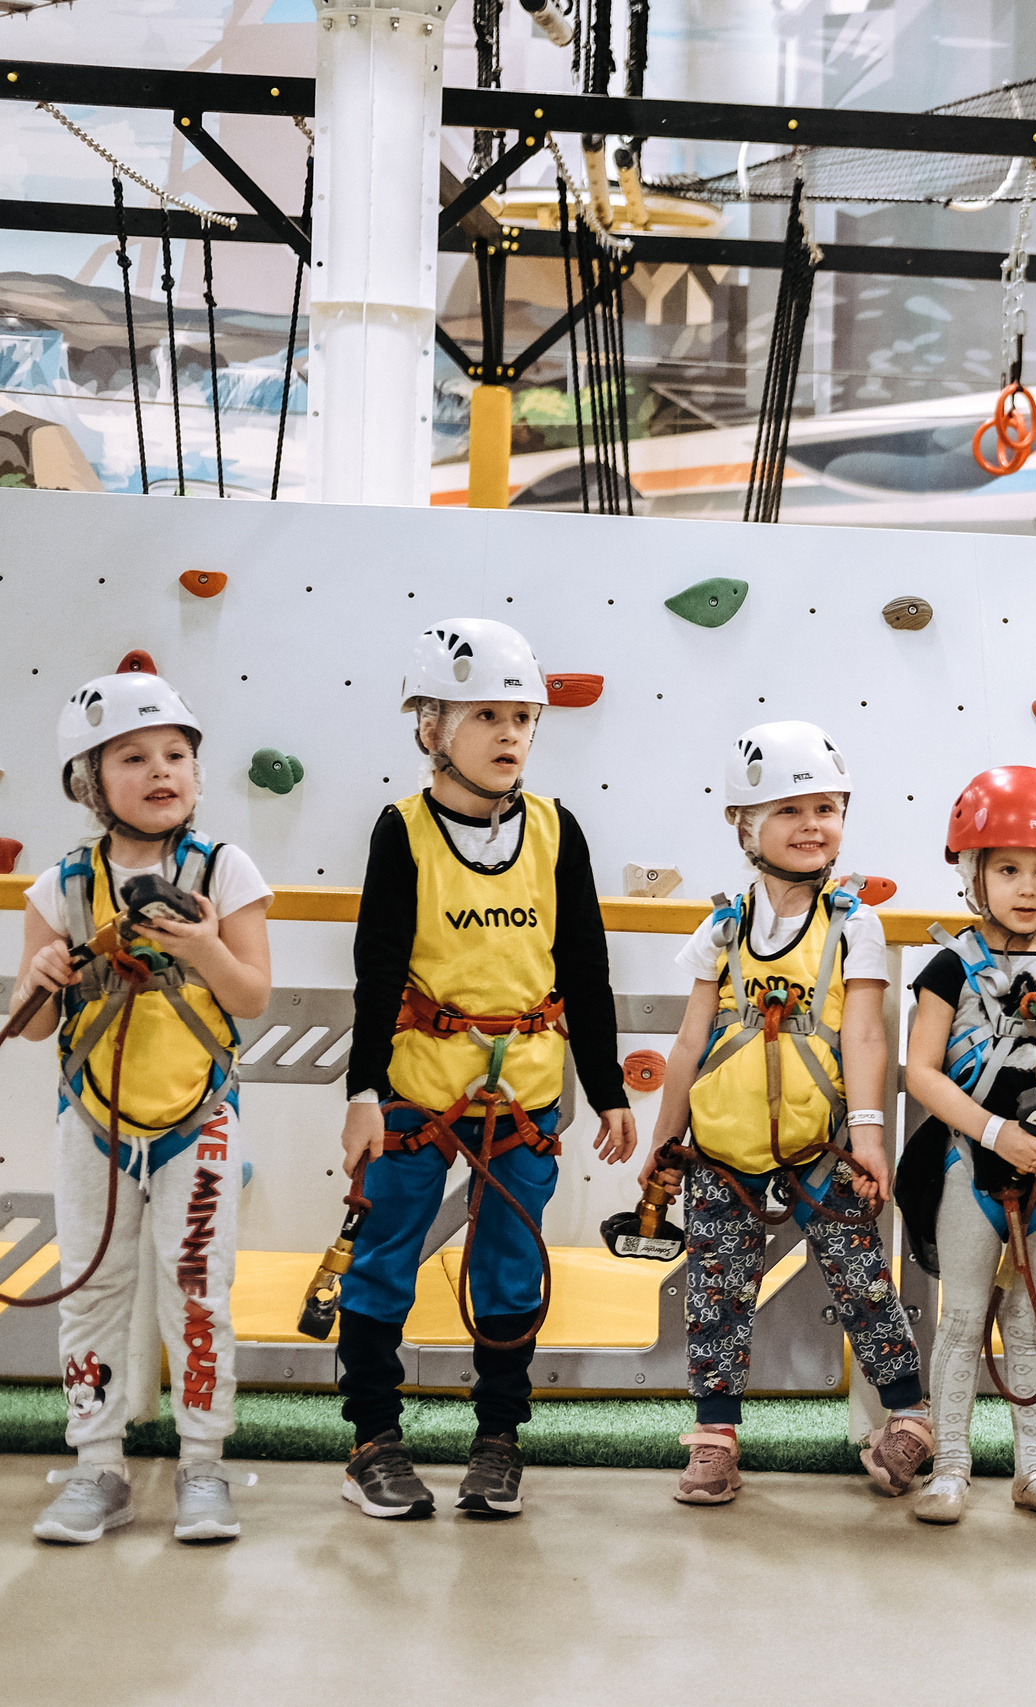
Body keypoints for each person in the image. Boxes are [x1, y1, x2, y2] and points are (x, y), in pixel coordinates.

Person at [335, 619, 636, 1522]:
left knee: (510, 1270)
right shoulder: (404, 833)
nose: (511, 735)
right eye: (486, 716)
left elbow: (584, 966)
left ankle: (498, 1440)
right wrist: (360, 1095)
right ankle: (372, 1442)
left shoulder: (554, 831)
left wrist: (609, 1086)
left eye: (522, 717)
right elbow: (377, 972)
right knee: (383, 1263)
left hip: (525, 1103)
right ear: (431, 727)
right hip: (418, 1093)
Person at [644, 721, 928, 1507]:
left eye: (827, 808)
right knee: (715, 1294)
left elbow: (866, 1031)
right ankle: (713, 1440)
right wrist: (666, 1142)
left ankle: (907, 1418)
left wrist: (868, 1134)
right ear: (745, 825)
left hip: (820, 1147)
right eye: (789, 809)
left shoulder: (852, 924)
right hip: (720, 1153)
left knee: (865, 1283)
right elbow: (692, 1038)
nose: (813, 825)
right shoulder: (722, 927)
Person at [19, 672, 271, 1545]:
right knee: (93, 1292)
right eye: (133, 756)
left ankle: (203, 1464)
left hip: (195, 1118)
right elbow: (36, 1021)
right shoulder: (60, 887)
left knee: (197, 1290)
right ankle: (99, 1466)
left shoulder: (222, 870)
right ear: (90, 781)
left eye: (176, 754)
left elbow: (251, 996)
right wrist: (40, 976)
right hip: (92, 1119)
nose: (161, 770)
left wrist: (202, 944)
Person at [898, 767, 1036, 1526]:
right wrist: (995, 1132)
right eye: (1007, 869)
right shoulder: (949, 968)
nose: (1027, 887)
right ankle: (952, 1468)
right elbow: (920, 1071)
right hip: (973, 1168)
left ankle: (1035, 1469)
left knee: (1029, 1319)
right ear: (974, 874)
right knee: (962, 1319)